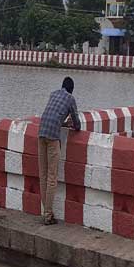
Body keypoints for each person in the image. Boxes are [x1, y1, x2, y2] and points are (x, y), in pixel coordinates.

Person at [38, 77, 81, 225]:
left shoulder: (53, 93)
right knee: (52, 176)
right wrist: (73, 126)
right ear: (71, 89)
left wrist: (62, 122)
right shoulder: (70, 99)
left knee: (43, 175)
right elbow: (77, 123)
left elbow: (53, 115)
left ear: (62, 86)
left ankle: (46, 211)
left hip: (41, 132)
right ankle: (48, 215)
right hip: (52, 137)